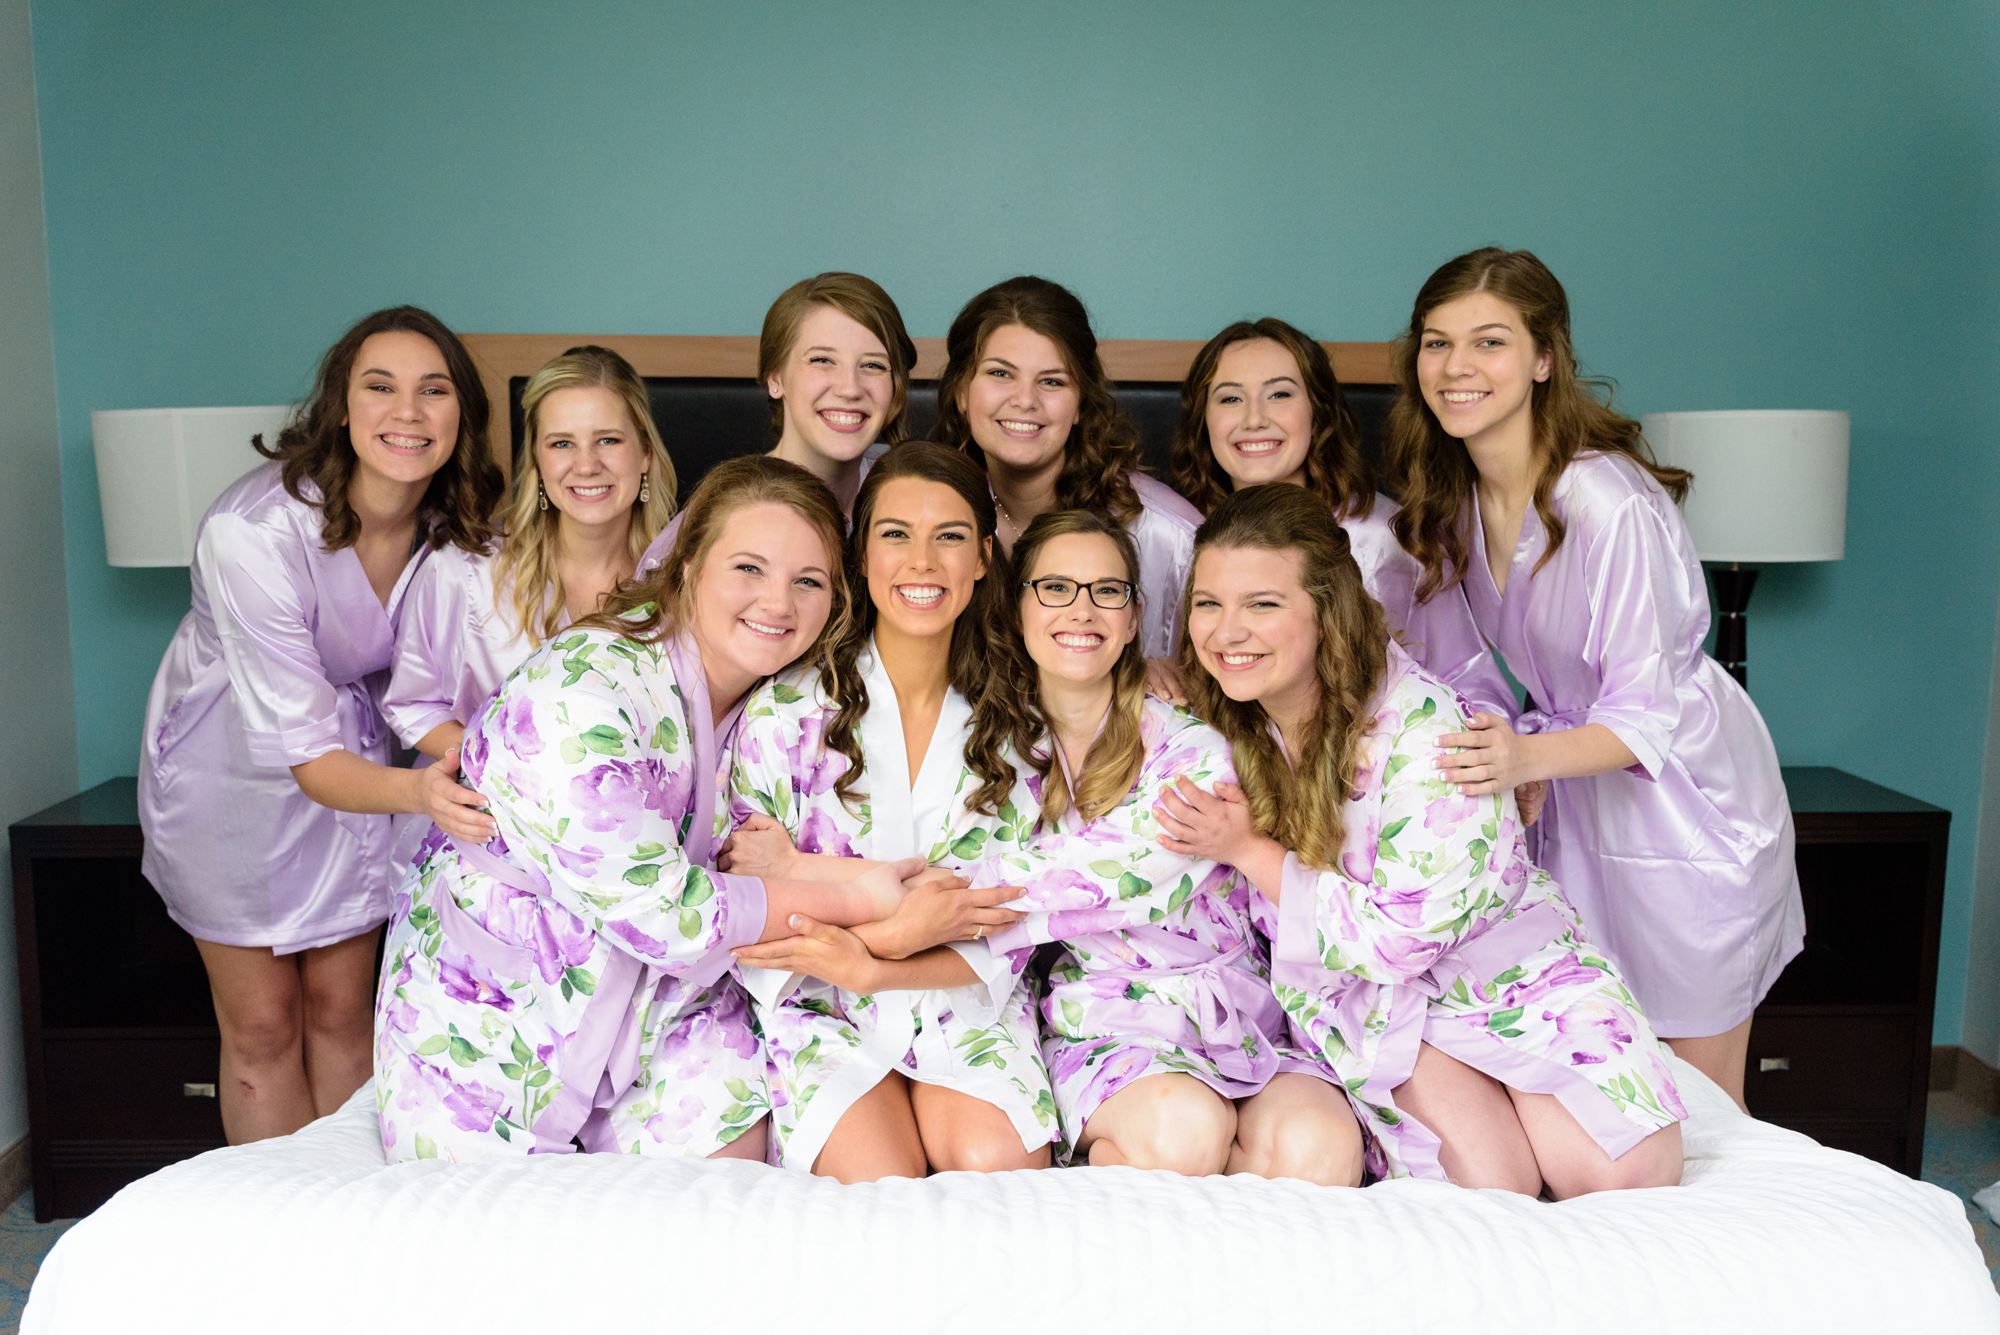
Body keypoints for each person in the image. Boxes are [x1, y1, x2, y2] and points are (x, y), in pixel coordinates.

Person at [375, 456, 921, 1162]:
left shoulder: (784, 703)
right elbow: (667, 913)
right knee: (501, 1235)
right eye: (748, 569)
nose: (778, 603)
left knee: (728, 1183)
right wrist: (857, 897)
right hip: (497, 997)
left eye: (808, 580)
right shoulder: (580, 693)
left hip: (663, 1003)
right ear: (689, 566)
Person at [1159, 484, 1685, 1196]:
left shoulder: (1430, 734)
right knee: (1493, 1195)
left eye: (1263, 603)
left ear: (1326, 609)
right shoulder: (1225, 716)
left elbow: (1397, 939)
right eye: (1208, 604)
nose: (1227, 631)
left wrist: (1251, 850)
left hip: (1512, 979)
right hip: (1388, 1005)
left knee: (1628, 1180)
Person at [1385, 247, 1802, 1105]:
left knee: (1698, 1105)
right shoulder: (1451, 503)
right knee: (1606, 1083)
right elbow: (1457, 674)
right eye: (1436, 342)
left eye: (1489, 342)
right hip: (1567, 798)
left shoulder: (1608, 502)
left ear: (1545, 359)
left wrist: (1523, 760)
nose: (1457, 367)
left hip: (1685, 807)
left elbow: (1650, 714)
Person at [139, 306, 505, 1143]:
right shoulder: (253, 532)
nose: (407, 413)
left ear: (461, 415)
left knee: (346, 1013)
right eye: (380, 387)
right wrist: (424, 792)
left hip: (366, 776)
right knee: (265, 1025)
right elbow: (305, 752)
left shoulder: (460, 528)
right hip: (233, 771)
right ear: (341, 405)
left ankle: (354, 1221)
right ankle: (283, 1238)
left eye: (433, 390)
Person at [965, 508, 1363, 1182]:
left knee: (1319, 1148)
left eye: (1107, 590)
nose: (1081, 609)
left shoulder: (1193, 745)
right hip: (1109, 1023)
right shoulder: (988, 749)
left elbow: (1115, 871)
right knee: (1185, 1133)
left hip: (1241, 1017)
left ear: (1132, 617)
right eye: (1055, 587)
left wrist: (959, 894)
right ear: (1017, 607)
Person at [722, 444, 1057, 1180]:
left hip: (961, 995)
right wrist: (895, 924)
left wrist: (846, 910)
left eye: (950, 536)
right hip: (820, 995)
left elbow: (1008, 902)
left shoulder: (1022, 722)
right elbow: (747, 893)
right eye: (896, 533)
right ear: (861, 553)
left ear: (984, 557)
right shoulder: (785, 711)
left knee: (999, 1170)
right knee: (880, 1184)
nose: (922, 561)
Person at [379, 345, 678, 853]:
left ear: (645, 453)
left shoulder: (689, 580)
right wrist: (505, 770)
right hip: (491, 831)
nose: (586, 464)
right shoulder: (465, 570)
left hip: (644, 836)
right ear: (536, 460)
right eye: (562, 443)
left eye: (608, 439)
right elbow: (413, 703)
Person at [1163, 318, 1509, 715]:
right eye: (1229, 399)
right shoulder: (1182, 537)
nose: (1254, 418)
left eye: (1279, 395)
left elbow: (1468, 678)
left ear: (1318, 411)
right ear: (1203, 420)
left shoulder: (1389, 540)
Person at [932, 275, 1201, 658]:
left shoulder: (1172, 539)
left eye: (1052, 381)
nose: (1025, 400)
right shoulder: (930, 517)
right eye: (1000, 373)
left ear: (1080, 403)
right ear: (961, 392)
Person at [636, 271, 917, 575]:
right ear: (775, 378)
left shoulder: (912, 494)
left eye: (873, 365)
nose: (850, 388)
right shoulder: (713, 523)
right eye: (822, 360)